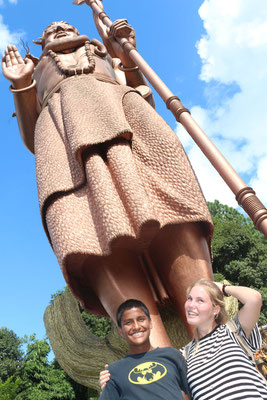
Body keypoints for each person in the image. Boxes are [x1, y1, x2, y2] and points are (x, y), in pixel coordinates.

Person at [2, 0, 214, 347]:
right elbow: (31, 137)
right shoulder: (39, 73)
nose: (58, 27)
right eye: (50, 29)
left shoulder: (101, 52)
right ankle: (154, 361)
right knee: (88, 231)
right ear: (40, 46)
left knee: (172, 203)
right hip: (67, 142)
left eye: (64, 25)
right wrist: (23, 86)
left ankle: (211, 340)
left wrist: (125, 54)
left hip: (127, 121)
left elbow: (142, 92)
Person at [100, 280, 267, 399]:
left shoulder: (232, 331)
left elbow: (254, 298)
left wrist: (220, 288)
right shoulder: (183, 354)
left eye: (200, 300)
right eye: (189, 299)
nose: (191, 305)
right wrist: (111, 380)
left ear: (216, 309)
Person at [99, 299, 190, 400]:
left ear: (150, 323)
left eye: (141, 319)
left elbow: (192, 392)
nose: (136, 326)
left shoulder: (172, 355)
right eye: (128, 322)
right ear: (120, 330)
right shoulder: (114, 371)